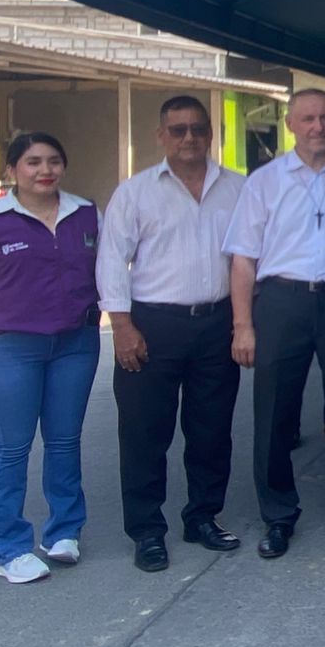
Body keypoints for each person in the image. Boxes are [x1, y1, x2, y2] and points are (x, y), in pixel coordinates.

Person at [0, 132, 100, 583]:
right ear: (12, 170)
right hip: (11, 348)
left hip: (75, 345)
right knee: (12, 448)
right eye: (32, 162)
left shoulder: (87, 214)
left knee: (65, 442)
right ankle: (8, 548)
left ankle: (64, 532)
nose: (44, 170)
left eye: (53, 161)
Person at [96, 96, 245, 573]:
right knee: (144, 432)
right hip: (151, 325)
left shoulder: (237, 188)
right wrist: (121, 326)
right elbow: (111, 259)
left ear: (211, 133)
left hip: (217, 322)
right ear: (161, 135)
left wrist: (245, 322)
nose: (189, 138)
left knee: (211, 430)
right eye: (178, 130)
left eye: (198, 128)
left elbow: (248, 259)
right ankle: (146, 530)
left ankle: (202, 517)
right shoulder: (136, 192)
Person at [224, 87, 325, 560]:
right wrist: (243, 325)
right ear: (290, 124)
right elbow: (243, 259)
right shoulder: (264, 182)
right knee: (273, 413)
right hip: (281, 301)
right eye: (307, 118)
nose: (318, 127)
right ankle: (278, 516)